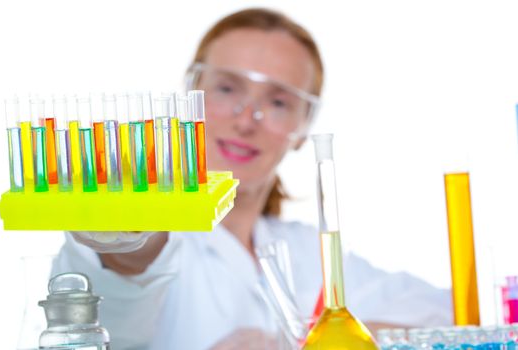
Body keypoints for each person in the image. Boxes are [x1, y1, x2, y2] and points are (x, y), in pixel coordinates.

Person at [52, 8, 452, 350]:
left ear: (303, 126)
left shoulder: (308, 251)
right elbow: (124, 290)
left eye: (278, 102)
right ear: (191, 96)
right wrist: (127, 239)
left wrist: (300, 340)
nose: (246, 120)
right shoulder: (165, 241)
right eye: (227, 88)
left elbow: (450, 313)